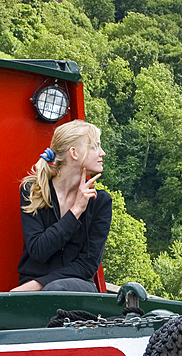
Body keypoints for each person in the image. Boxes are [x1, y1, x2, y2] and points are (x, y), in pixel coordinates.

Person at [13, 120, 111, 292]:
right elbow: (38, 250)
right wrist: (75, 212)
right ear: (74, 153)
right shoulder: (33, 191)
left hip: (76, 287)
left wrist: (39, 284)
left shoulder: (100, 202)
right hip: (32, 286)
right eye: (95, 146)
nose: (102, 153)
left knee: (56, 289)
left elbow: (88, 265)